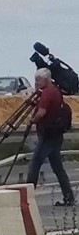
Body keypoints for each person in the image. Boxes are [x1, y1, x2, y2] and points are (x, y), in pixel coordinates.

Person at [29, 68, 75, 206]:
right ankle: (69, 197)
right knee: (57, 167)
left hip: (48, 135)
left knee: (35, 164)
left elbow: (41, 112)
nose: (36, 83)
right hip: (56, 134)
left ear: (46, 79)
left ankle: (27, 197)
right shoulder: (55, 90)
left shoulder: (47, 93)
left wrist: (32, 121)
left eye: (38, 80)